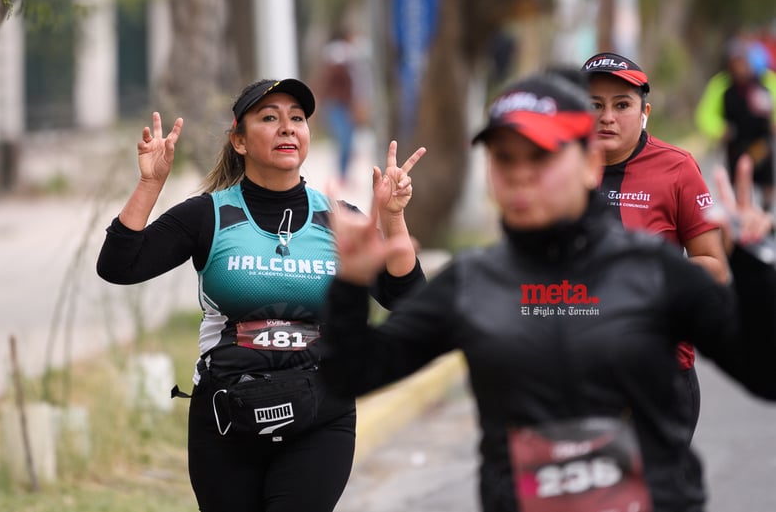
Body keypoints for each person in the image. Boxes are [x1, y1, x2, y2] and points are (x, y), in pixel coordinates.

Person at [319, 70, 776, 512]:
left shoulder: (652, 270)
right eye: (505, 158)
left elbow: (764, 374)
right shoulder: (474, 281)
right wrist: (350, 283)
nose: (520, 175)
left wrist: (753, 268)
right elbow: (351, 375)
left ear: (590, 164)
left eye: (541, 156)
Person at [96, 78, 427, 512]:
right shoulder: (208, 216)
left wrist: (393, 219)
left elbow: (408, 302)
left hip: (320, 415)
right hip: (226, 416)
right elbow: (119, 267)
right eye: (269, 118)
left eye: (297, 119)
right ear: (239, 140)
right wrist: (150, 184)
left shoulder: (339, 218)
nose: (287, 128)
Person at [581, 51, 729, 442]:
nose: (607, 117)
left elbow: (713, 265)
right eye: (594, 104)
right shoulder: (555, 169)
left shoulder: (677, 168)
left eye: (622, 105)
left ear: (644, 110)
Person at [695, 37, 776, 211]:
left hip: (761, 142)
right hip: (736, 142)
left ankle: (767, 210)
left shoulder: (766, 81)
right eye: (734, 62)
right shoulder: (721, 85)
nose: (739, 67)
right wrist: (720, 130)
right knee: (739, 180)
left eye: (742, 61)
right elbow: (705, 115)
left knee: (766, 179)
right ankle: (742, 215)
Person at [315, 28, 371, 186]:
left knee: (348, 140)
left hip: (345, 105)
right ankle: (341, 175)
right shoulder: (340, 57)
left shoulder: (352, 59)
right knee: (344, 140)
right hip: (336, 104)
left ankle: (343, 175)